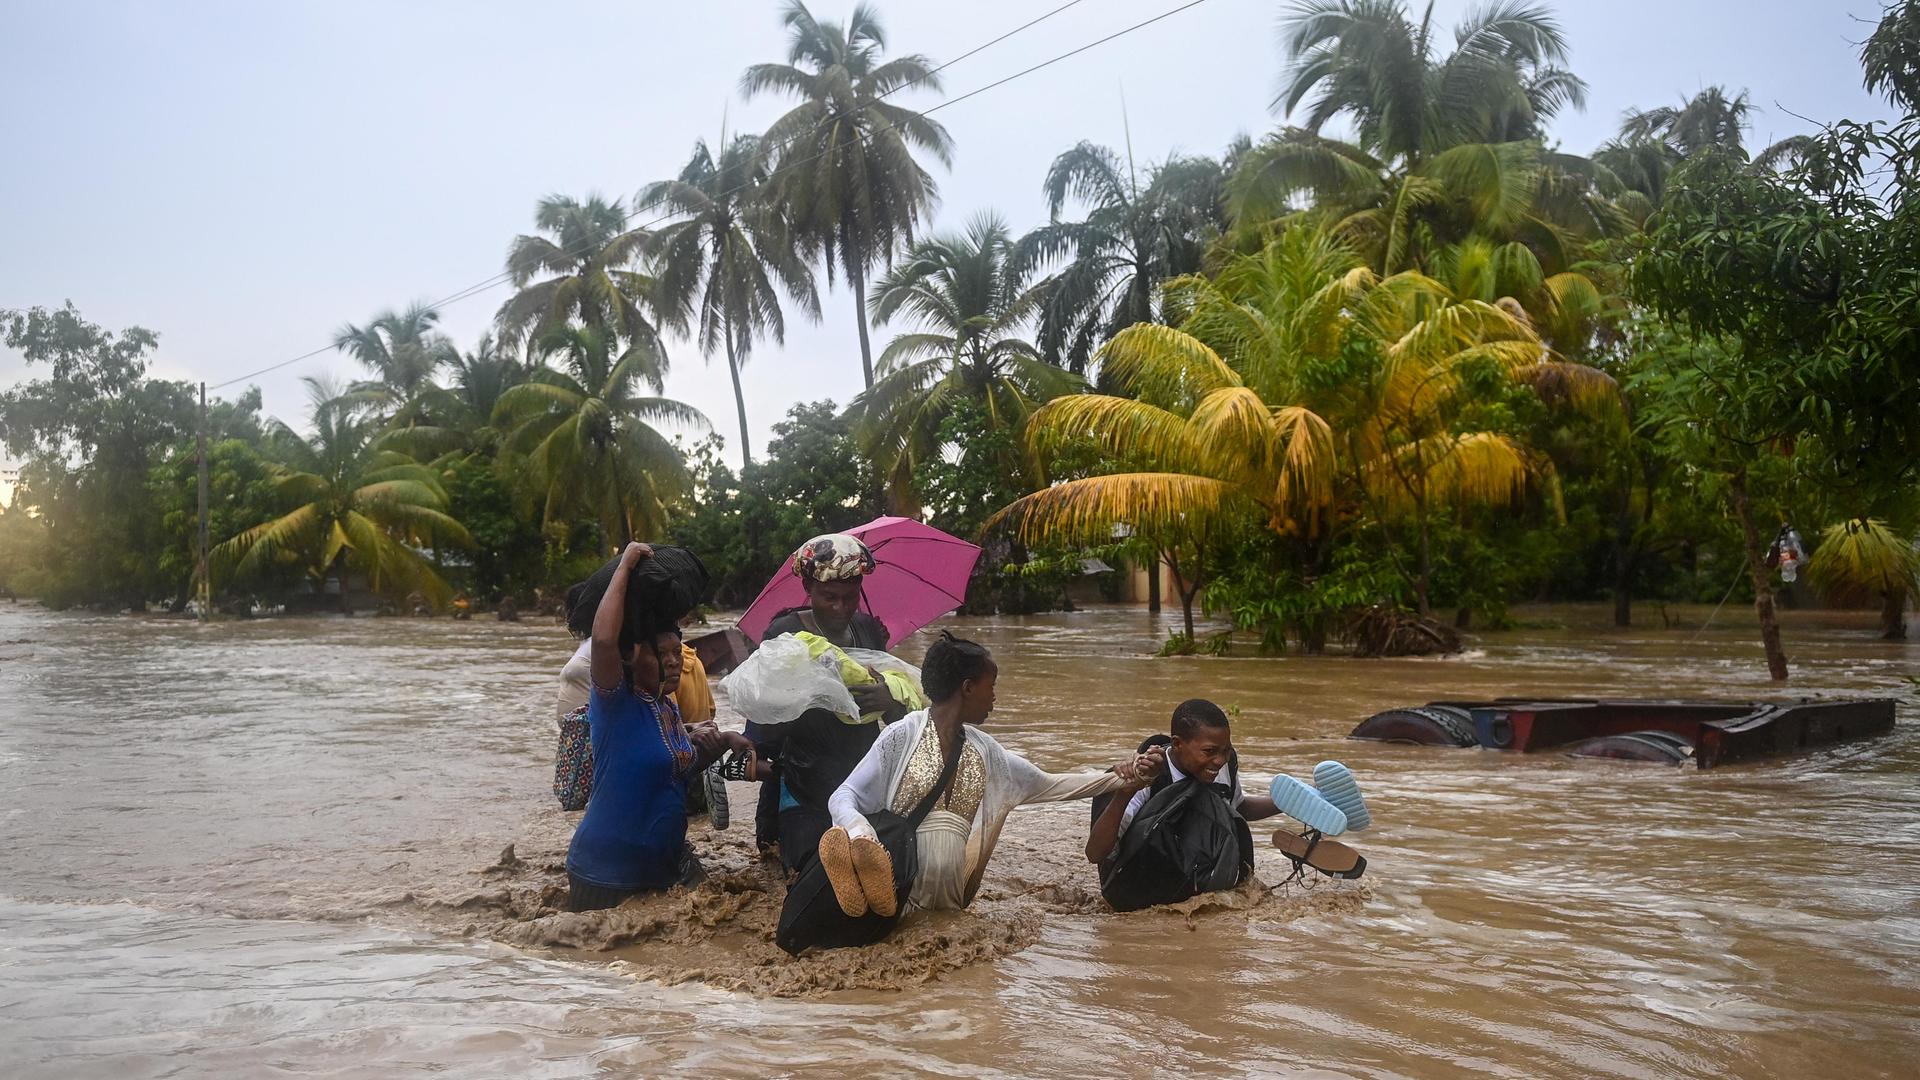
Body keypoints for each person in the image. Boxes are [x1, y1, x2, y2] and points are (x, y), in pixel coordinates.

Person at [819, 633, 1161, 917]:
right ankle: (866, 868)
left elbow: (1051, 784)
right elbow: (843, 796)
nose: (994, 697)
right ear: (968, 688)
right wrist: (860, 831)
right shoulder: (902, 735)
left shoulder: (987, 752)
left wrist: (1124, 776)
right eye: (991, 685)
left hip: (951, 903)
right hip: (900, 891)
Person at [565, 543, 749, 911]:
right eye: (660, 654)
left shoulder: (665, 710)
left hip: (664, 868)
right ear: (631, 657)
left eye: (676, 653)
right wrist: (627, 564)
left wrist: (723, 741)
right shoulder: (615, 702)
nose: (672, 663)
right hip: (606, 876)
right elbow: (603, 640)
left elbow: (669, 771)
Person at [747, 533, 910, 870]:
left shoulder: (868, 630)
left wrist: (888, 697)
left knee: (885, 870)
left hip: (861, 779)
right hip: (803, 783)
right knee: (811, 873)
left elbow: (900, 717)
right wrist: (816, 693)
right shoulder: (786, 633)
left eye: (850, 598)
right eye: (829, 597)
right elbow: (764, 719)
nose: (840, 608)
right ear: (808, 587)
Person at [1083, 700, 1284, 910]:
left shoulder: (1223, 766)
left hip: (1196, 882)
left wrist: (1286, 804)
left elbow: (1237, 808)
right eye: (1209, 751)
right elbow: (1095, 853)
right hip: (1142, 888)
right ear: (1177, 744)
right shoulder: (1147, 775)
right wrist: (1125, 793)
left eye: (1226, 750)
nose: (1219, 760)